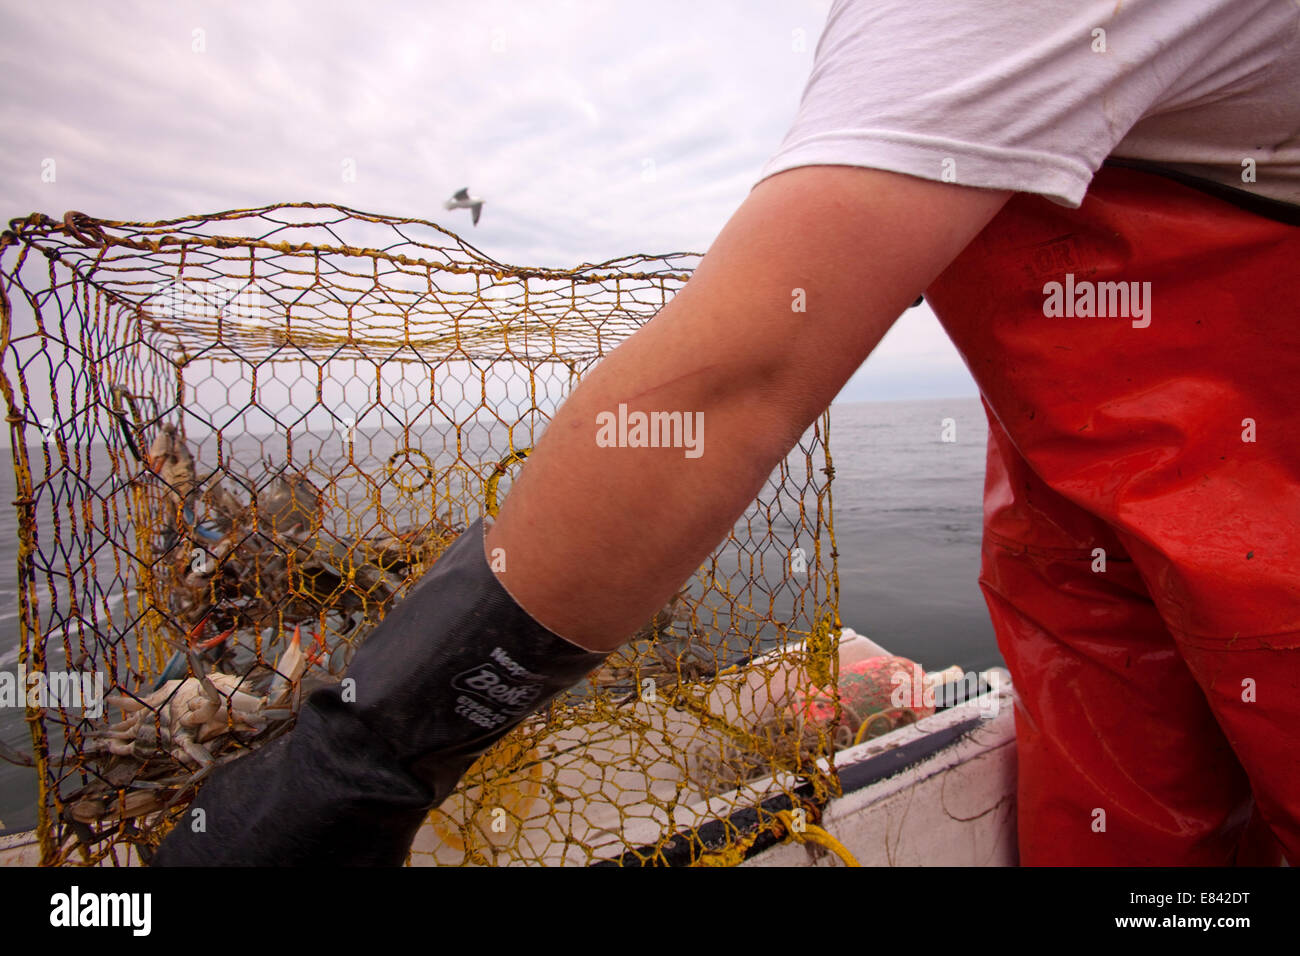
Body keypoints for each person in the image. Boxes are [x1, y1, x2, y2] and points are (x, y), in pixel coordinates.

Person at [154, 0, 1300, 866]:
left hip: (1267, 475)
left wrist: (347, 770)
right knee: (1130, 822)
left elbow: (729, 383)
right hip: (1078, 486)